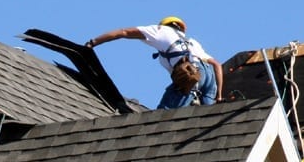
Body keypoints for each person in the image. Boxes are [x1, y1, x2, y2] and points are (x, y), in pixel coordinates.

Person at [85, 16, 224, 109]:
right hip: (209, 77)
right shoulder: (192, 42)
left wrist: (93, 42)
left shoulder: (160, 31)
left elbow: (124, 32)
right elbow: (216, 65)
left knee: (165, 113)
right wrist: (219, 96)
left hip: (191, 73)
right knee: (208, 115)